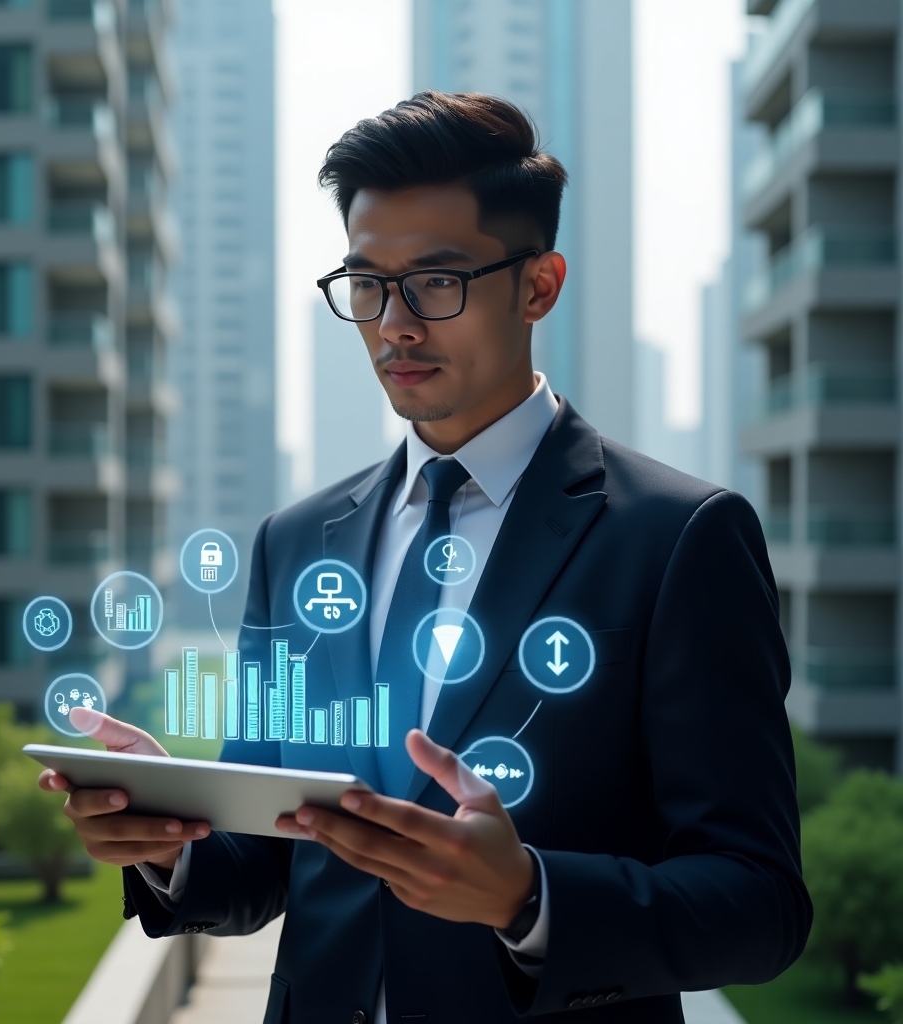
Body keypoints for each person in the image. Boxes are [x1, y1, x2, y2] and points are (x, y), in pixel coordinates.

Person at [40, 91, 811, 1023]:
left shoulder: (679, 537)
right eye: (367, 285)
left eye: (436, 283)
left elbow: (760, 904)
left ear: (540, 285)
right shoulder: (296, 542)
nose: (394, 324)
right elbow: (277, 861)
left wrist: (527, 897)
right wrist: (167, 832)